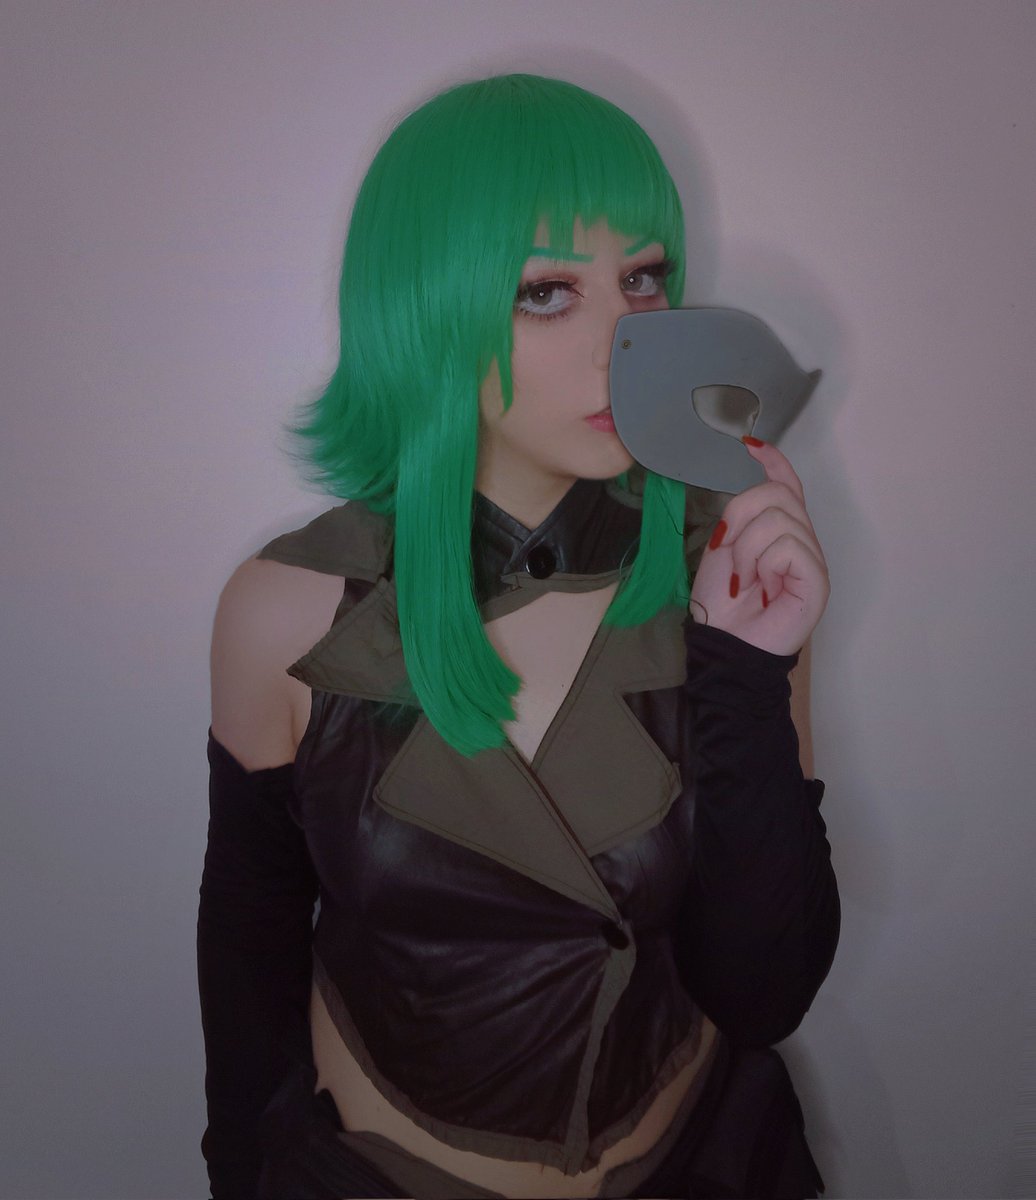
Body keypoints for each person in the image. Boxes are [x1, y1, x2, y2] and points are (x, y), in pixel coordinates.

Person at [198, 73, 839, 1199]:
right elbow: (250, 945)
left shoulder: (726, 576)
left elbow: (763, 993)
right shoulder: (286, 608)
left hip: (705, 1165)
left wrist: (747, 668)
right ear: (425, 306)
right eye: (547, 292)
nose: (624, 341)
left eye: (642, 278)